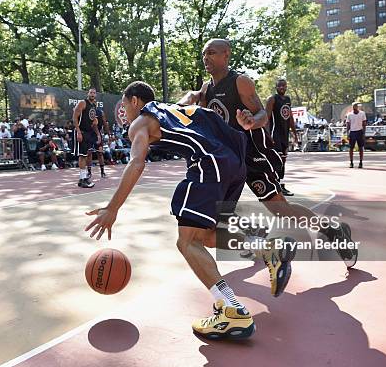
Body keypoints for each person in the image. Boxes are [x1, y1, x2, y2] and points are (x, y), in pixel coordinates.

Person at [86, 81, 281, 340]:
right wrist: (200, 92)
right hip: (235, 162)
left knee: (187, 241)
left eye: (124, 104)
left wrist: (112, 208)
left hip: (208, 163)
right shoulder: (169, 108)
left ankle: (231, 310)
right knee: (207, 237)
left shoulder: (141, 123)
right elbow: (190, 98)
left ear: (135, 101)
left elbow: (136, 162)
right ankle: (265, 248)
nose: (124, 110)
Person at [178, 38, 357, 267]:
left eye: (211, 53)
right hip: (225, 161)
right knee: (212, 220)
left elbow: (262, 114)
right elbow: (191, 99)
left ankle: (332, 231)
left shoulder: (240, 82)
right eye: (203, 54)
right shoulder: (206, 88)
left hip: (252, 155)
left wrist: (252, 121)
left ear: (226, 55)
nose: (206, 58)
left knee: (281, 210)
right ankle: (252, 234)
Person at [266, 79, 298, 196]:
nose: (282, 88)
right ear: (276, 87)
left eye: (284, 86)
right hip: (275, 134)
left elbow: (290, 118)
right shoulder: (272, 99)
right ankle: (273, 184)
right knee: (277, 159)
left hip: (285, 135)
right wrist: (267, 135)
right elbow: (266, 118)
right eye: (279, 86)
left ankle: (280, 184)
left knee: (283, 160)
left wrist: (295, 134)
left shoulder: (288, 100)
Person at [72, 88, 101, 188]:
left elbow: (93, 122)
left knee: (86, 155)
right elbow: (74, 117)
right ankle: (83, 179)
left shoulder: (94, 105)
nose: (92, 94)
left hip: (89, 133)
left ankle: (83, 179)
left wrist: (98, 134)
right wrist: (78, 132)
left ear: (96, 95)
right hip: (82, 131)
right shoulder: (82, 103)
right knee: (82, 155)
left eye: (94, 93)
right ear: (87, 94)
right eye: (91, 92)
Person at [87, 104, 111, 178]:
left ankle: (102, 172)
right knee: (89, 153)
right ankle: (89, 172)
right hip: (89, 134)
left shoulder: (101, 112)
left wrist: (109, 134)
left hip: (98, 136)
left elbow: (105, 123)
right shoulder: (87, 112)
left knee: (100, 153)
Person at [346, 102, 367, 168]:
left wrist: (363, 133)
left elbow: (364, 124)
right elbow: (348, 124)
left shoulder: (362, 113)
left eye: (355, 106)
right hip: (352, 132)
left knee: (361, 148)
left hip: (359, 132)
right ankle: (351, 162)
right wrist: (347, 133)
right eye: (353, 106)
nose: (354, 107)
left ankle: (361, 162)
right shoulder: (349, 114)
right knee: (351, 148)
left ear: (357, 107)